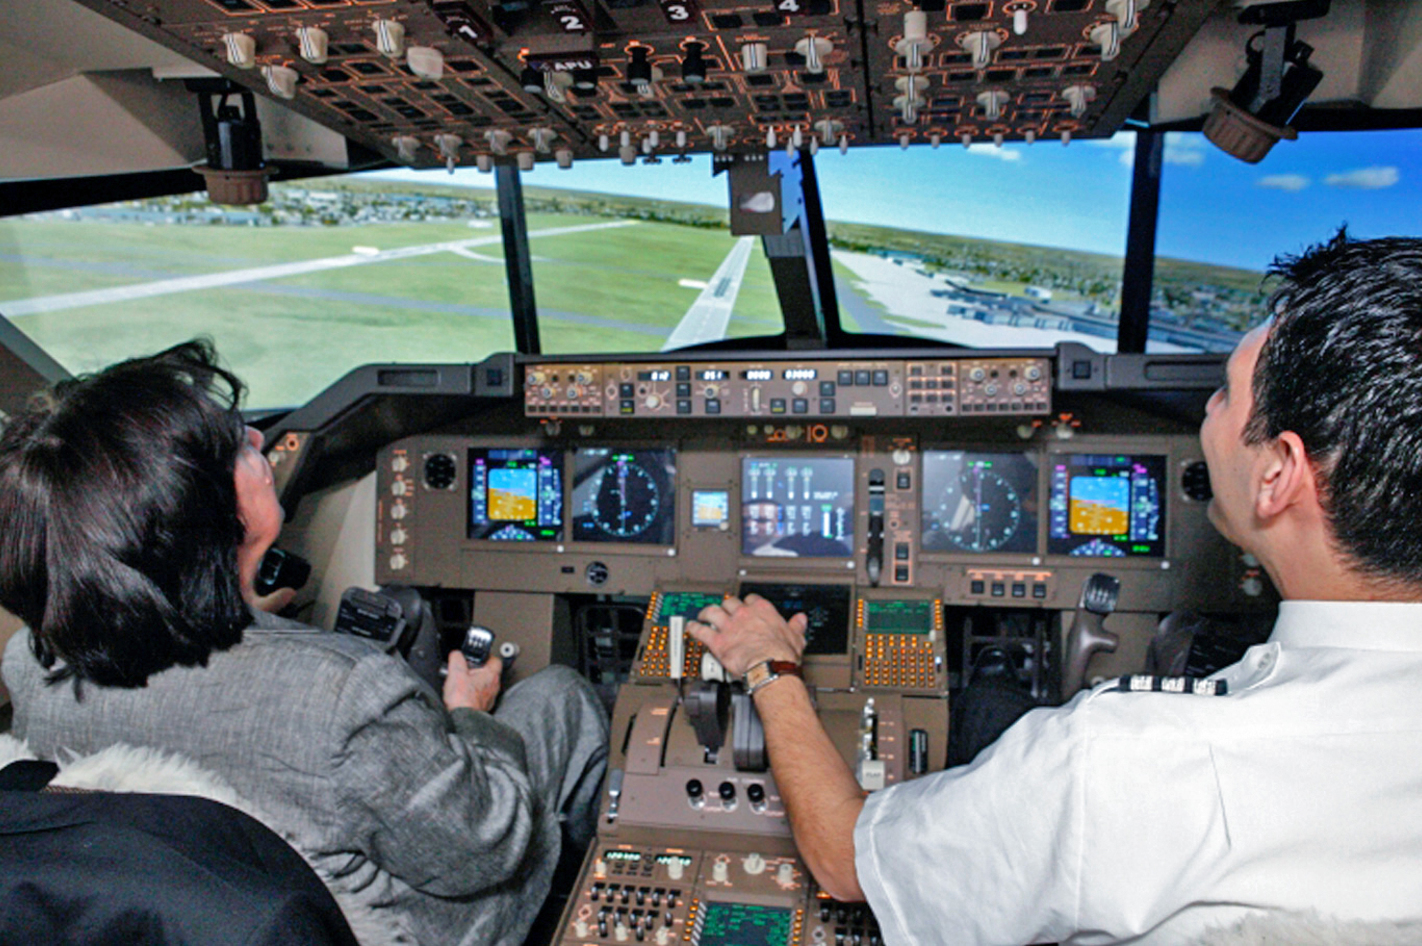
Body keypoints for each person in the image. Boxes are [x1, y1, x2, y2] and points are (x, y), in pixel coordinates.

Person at [687, 231, 1422, 944]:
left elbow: (846, 863)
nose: (1206, 412)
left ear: (1278, 475)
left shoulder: (1118, 762)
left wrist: (770, 666)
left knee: (986, 713)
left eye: (1224, 396)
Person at [0, 339, 608, 946]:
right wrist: (470, 716)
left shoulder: (30, 660)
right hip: (397, 929)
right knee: (560, 695)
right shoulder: (341, 694)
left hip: (193, 917)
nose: (261, 441)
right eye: (237, 445)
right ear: (213, 515)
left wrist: (241, 619)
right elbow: (485, 849)